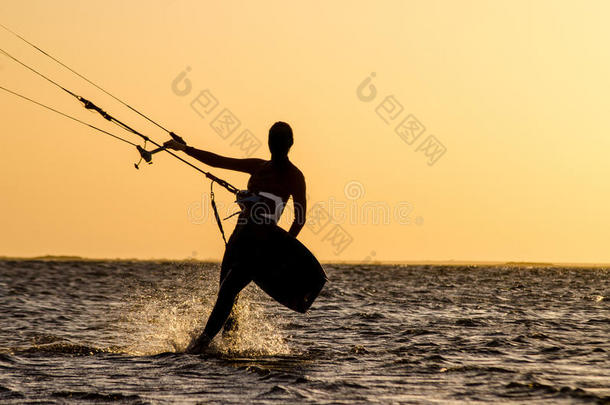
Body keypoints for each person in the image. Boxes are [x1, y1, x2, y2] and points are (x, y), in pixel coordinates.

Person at [164, 121, 306, 353]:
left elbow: (300, 218)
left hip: (262, 244)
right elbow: (219, 161)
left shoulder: (294, 176)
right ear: (269, 142)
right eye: (273, 141)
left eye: (279, 141)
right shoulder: (259, 167)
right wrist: (185, 149)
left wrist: (282, 247)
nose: (275, 145)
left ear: (289, 144)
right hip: (239, 238)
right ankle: (231, 348)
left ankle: (202, 344)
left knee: (229, 290)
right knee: (227, 293)